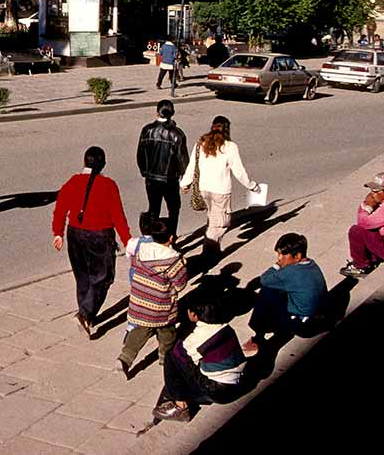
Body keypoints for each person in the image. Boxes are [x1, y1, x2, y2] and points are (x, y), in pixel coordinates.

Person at [52, 146, 130, 338]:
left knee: (83, 276)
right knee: (103, 277)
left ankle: (86, 313)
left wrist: (58, 233)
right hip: (100, 236)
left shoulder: (72, 182)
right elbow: (117, 215)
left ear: (84, 162)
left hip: (75, 234)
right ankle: (85, 313)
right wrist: (127, 240)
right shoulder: (109, 185)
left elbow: (60, 209)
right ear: (103, 164)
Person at [152, 296, 245, 423]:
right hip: (236, 382)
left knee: (171, 357)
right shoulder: (226, 328)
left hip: (217, 391)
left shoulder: (201, 337)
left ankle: (180, 407)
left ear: (194, 314)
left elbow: (178, 353)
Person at [116, 215, 188, 376]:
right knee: (167, 333)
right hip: (161, 306)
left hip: (139, 301)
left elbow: (135, 267)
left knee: (139, 332)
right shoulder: (173, 260)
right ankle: (165, 359)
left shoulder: (140, 252)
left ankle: (124, 358)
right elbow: (180, 284)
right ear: (171, 238)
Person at [180, 116, 260, 257]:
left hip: (203, 188)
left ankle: (214, 250)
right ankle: (208, 253)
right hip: (221, 191)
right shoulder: (230, 147)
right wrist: (252, 186)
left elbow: (193, 165)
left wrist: (185, 183)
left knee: (212, 218)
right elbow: (239, 171)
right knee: (221, 224)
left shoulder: (201, 143)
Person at [241, 233, 327, 357]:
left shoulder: (290, 272)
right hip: (317, 317)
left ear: (297, 256)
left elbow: (265, 279)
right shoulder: (311, 264)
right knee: (278, 290)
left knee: (267, 291)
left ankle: (258, 336)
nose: (280, 258)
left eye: (282, 255)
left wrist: (277, 265)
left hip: (303, 325)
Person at [340, 172, 384, 277]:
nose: (372, 194)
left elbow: (363, 223)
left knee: (356, 231)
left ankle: (361, 267)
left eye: (376, 191)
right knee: (372, 231)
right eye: (371, 191)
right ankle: (372, 258)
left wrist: (366, 205)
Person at [136, 99, 188, 235]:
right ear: (172, 113)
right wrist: (182, 175)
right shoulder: (178, 134)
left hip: (151, 178)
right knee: (174, 209)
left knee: (154, 209)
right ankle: (171, 236)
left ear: (156, 112)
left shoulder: (147, 130)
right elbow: (182, 159)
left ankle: (154, 237)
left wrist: (145, 172)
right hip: (170, 179)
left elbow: (140, 154)